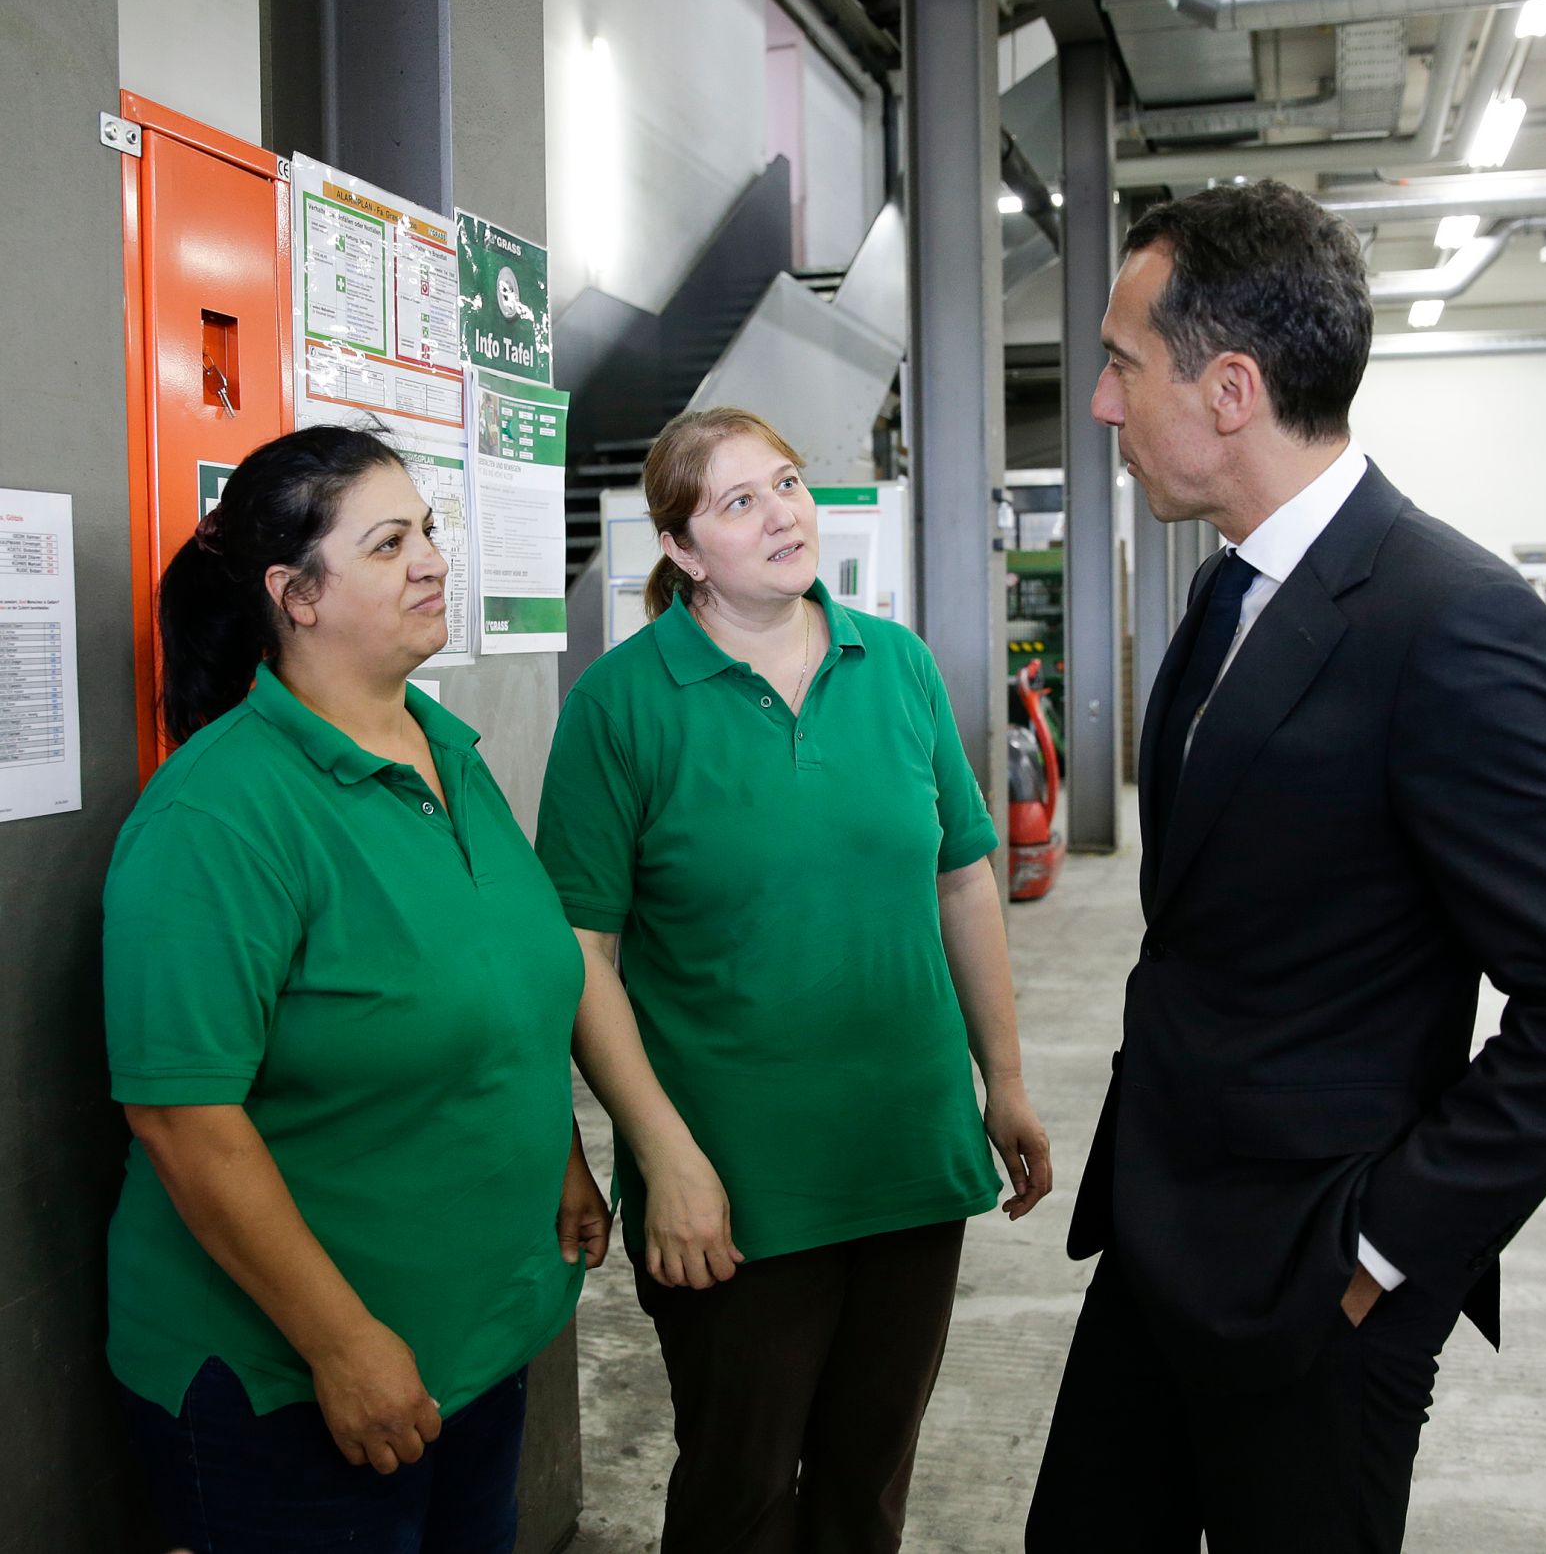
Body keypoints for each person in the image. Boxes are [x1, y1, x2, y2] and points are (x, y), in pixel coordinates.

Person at [1026, 180, 1546, 1552]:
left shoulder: (1452, 624)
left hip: (1317, 1278)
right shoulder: (1227, 588)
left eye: (1121, 366)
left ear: (1230, 389)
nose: (1098, 405)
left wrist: (1384, 1249)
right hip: (1159, 1236)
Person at [537, 406, 1051, 1553]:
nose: (782, 514)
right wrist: (662, 1157)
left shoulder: (896, 664)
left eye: (786, 482)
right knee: (742, 1492)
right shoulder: (620, 705)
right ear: (680, 549)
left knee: (866, 1489)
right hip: (734, 1184)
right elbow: (580, 957)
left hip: (905, 1156)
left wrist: (1004, 1080)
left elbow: (962, 883)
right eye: (738, 501)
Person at [105, 424, 610, 1552]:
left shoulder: (446, 752)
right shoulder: (216, 815)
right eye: (388, 545)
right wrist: (340, 1342)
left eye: (426, 530)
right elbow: (182, 1117)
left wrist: (560, 1156)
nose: (432, 560)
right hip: (292, 1384)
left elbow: (506, 986)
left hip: (471, 1344)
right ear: (297, 595)